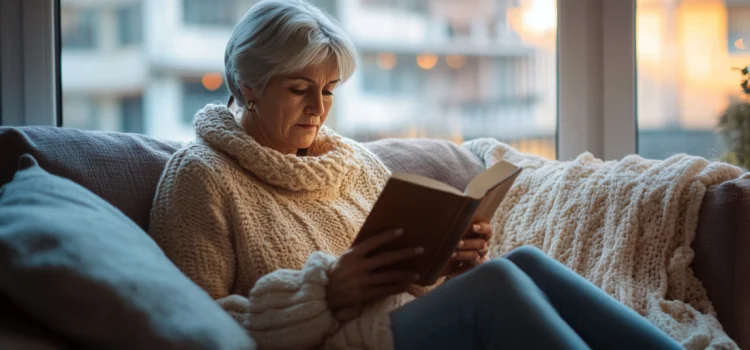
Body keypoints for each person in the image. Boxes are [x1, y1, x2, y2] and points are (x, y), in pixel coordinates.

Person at [148, 0, 683, 349]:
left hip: (400, 329)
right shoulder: (201, 178)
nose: (318, 107)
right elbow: (194, 330)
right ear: (246, 85)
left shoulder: (352, 164)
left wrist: (448, 264)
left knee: (519, 262)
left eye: (329, 89)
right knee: (499, 285)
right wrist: (326, 293)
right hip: (344, 344)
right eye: (298, 89)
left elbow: (406, 274)